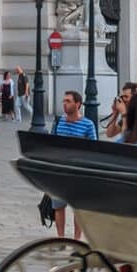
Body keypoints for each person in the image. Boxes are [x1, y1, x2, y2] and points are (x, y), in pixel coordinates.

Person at [48, 90, 99, 237]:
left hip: (78, 172)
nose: (64, 104)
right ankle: (61, 238)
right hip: (59, 170)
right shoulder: (59, 121)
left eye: (68, 101)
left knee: (78, 208)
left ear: (78, 104)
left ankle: (76, 240)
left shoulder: (87, 125)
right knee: (58, 206)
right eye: (64, 101)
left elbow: (94, 149)